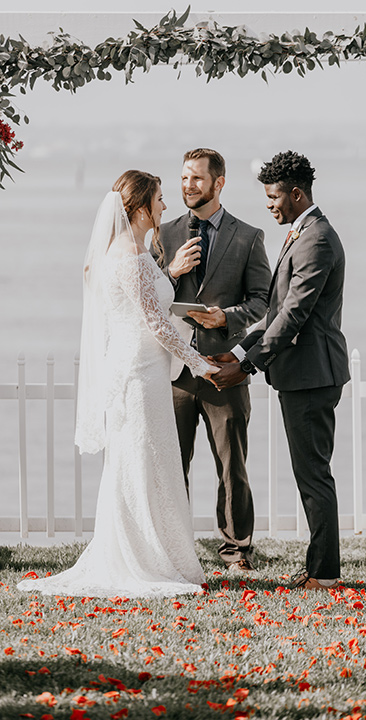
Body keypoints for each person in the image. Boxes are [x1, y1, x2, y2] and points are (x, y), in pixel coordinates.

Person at [18, 170, 219, 598]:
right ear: (142, 207)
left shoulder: (125, 254)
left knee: (149, 465)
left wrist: (174, 291)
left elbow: (150, 312)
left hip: (139, 368)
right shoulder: (129, 257)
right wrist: (201, 364)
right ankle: (143, 560)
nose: (166, 206)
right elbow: (157, 325)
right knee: (143, 466)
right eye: (160, 199)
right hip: (139, 376)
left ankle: (159, 553)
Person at [211, 151, 350, 591]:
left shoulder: (318, 239)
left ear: (296, 194)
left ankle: (324, 574)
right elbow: (273, 313)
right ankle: (318, 568)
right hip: (300, 374)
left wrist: (248, 366)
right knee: (309, 472)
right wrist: (237, 352)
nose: (269, 205)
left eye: (273, 197)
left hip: (313, 374)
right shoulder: (301, 233)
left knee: (313, 475)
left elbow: (294, 315)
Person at [154, 148, 271, 573]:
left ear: (218, 183)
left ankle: (237, 551)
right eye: (184, 178)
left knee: (231, 466)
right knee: (172, 464)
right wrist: (170, 271)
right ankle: (174, 547)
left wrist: (227, 316)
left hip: (225, 368)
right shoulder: (162, 235)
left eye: (197, 179)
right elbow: (144, 297)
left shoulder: (248, 235)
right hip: (175, 372)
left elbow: (263, 302)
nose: (188, 186)